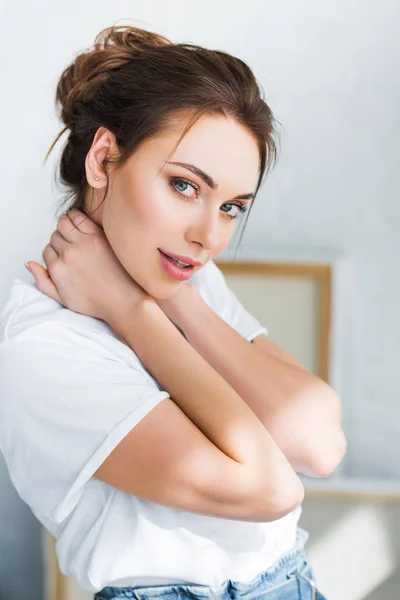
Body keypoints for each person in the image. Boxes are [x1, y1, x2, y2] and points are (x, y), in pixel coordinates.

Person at [0, 24, 346, 600]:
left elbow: (318, 444)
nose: (209, 235)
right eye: (184, 186)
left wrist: (171, 300)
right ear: (103, 158)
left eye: (232, 206)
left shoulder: (183, 279)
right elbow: (268, 487)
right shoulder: (42, 346)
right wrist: (134, 315)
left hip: (294, 582)